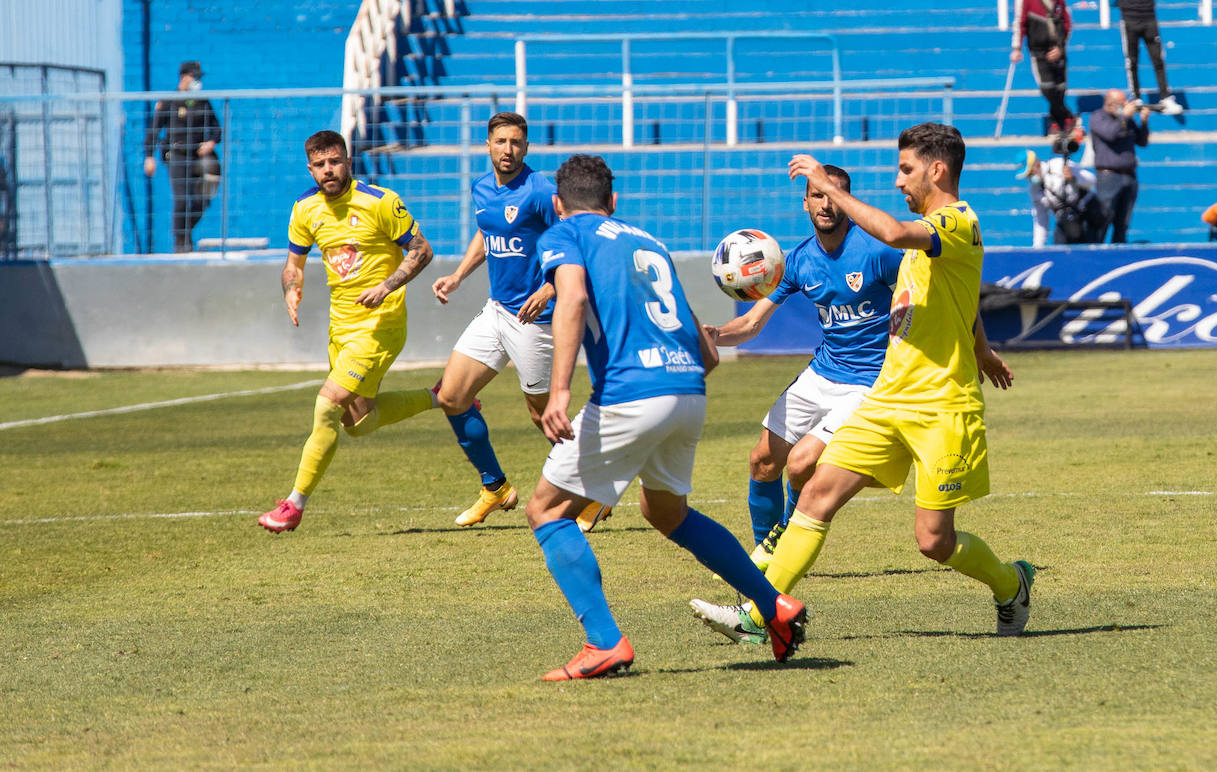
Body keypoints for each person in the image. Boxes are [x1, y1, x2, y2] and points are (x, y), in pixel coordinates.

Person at [690, 123, 1030, 646]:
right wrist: (982, 346)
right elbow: (951, 298)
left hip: (941, 404)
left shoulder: (957, 222)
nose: (898, 181)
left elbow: (893, 234)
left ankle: (1011, 583)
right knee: (814, 493)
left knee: (933, 542)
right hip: (887, 396)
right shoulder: (912, 235)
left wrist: (832, 187)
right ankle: (760, 615)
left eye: (906, 170)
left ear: (936, 170)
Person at [528, 153, 807, 680]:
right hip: (686, 388)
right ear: (614, 201)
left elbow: (570, 300)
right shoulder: (648, 241)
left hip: (632, 391)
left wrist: (560, 390)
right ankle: (774, 607)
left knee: (547, 511)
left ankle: (604, 643)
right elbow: (704, 348)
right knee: (666, 512)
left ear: (559, 204)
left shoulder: (564, 233)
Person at [707, 164, 903, 568]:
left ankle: (779, 548)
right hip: (822, 373)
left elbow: (927, 290)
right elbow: (749, 323)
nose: (826, 203)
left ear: (848, 201)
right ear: (805, 202)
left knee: (801, 464)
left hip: (869, 383)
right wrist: (712, 336)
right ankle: (765, 554)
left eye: (835, 194)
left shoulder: (877, 251)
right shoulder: (796, 260)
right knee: (762, 459)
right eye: (818, 195)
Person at [429, 112, 604, 531]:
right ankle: (495, 487)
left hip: (537, 320)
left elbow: (578, 237)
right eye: (501, 142)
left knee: (544, 417)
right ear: (487, 145)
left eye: (516, 143)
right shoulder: (482, 188)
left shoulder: (542, 191)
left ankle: (594, 492)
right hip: (497, 310)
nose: (508, 150)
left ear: (525, 148)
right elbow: (487, 233)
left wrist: (550, 287)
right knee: (452, 396)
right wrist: (458, 275)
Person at [258, 130, 436, 533]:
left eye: (335, 161)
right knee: (359, 423)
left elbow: (422, 250)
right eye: (320, 165)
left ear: (348, 160)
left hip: (381, 326)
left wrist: (387, 285)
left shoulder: (380, 202)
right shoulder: (305, 209)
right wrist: (291, 289)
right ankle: (439, 398)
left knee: (327, 406)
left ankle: (293, 505)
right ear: (310, 168)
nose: (328, 170)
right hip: (342, 330)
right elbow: (293, 264)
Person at [142, 60, 222, 253]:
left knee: (204, 198)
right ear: (184, 77)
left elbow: (216, 128)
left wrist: (211, 142)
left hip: (198, 156)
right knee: (181, 199)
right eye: (195, 77)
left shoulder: (202, 101)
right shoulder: (169, 101)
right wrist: (149, 156)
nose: (197, 81)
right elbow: (154, 129)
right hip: (176, 156)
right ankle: (181, 243)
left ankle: (184, 233)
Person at [1110, 0, 1183, 115]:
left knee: (1158, 59)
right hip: (1129, 23)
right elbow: (1112, 0)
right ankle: (1135, 98)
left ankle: (1165, 97)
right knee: (1132, 61)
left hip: (1150, 21)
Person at [1011, 0, 1075, 134]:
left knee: (1060, 87)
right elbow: (1020, 23)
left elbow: (1067, 22)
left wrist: (1061, 47)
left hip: (1058, 49)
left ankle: (1056, 122)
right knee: (1047, 87)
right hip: (1039, 51)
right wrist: (1016, 48)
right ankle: (1067, 116)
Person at [1088, 89, 1150, 243]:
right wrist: (1125, 116)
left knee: (1123, 223)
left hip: (1129, 176)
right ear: (1109, 104)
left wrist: (1144, 122)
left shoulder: (1125, 120)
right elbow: (1110, 134)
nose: (1125, 106)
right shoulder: (1098, 117)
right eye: (1122, 104)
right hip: (1109, 176)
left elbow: (1142, 141)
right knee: (1103, 219)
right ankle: (1096, 253)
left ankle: (1118, 253)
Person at [1015, 148, 1106, 246]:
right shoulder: (1035, 189)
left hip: (1087, 214)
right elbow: (1041, 218)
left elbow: (1092, 180)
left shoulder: (1058, 165)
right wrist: (1038, 247)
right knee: (1059, 247)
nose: (1030, 177)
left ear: (1037, 164)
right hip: (1067, 221)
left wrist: (1073, 178)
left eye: (1030, 173)